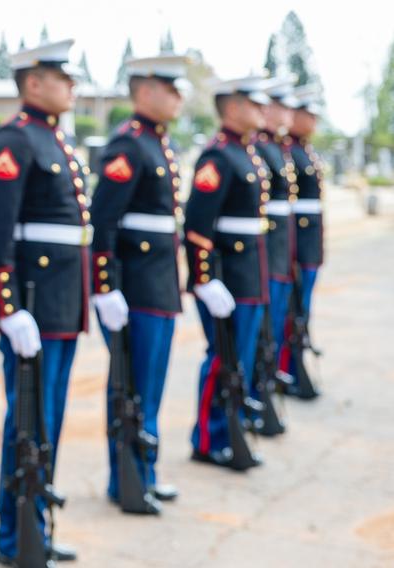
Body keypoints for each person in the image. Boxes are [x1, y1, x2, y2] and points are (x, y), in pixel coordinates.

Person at [0, 39, 86, 565]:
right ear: (34, 82)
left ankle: (33, 531)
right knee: (29, 426)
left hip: (60, 309)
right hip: (34, 310)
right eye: (63, 76)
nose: (73, 85)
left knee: (48, 426)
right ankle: (14, 539)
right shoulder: (14, 140)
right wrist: (8, 307)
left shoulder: (53, 140)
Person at [90, 54, 190, 512]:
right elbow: (104, 224)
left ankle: (145, 473)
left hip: (159, 289)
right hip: (136, 292)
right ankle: (126, 482)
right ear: (146, 89)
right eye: (171, 88)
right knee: (131, 391)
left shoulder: (156, 143)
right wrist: (106, 286)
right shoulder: (128, 146)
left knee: (150, 391)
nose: (178, 97)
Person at [184, 76, 271, 470]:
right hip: (230, 279)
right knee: (223, 359)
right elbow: (198, 226)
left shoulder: (246, 154)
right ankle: (207, 438)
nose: (262, 111)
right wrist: (204, 279)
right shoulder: (218, 157)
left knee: (241, 362)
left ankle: (230, 429)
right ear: (233, 107)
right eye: (254, 104)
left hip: (250, 276)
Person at [253, 75, 298, 411]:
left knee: (277, 325)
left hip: (282, 250)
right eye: (279, 106)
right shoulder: (258, 147)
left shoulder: (277, 148)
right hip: (265, 253)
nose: (286, 114)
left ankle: (266, 389)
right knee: (261, 332)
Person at [283, 84, 325, 397]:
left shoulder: (304, 150)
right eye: (306, 114)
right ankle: (288, 371)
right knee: (293, 313)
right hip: (297, 244)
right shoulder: (289, 152)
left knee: (303, 311)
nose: (312, 120)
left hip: (310, 244)